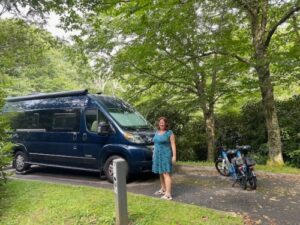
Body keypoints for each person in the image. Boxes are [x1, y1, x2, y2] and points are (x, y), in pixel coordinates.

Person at [152, 116, 176, 200]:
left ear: (166, 123)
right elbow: (155, 144)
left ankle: (168, 194)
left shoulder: (169, 132)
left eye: (163, 122)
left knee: (166, 173)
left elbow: (173, 144)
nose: (161, 123)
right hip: (157, 155)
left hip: (165, 155)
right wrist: (153, 154)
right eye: (160, 122)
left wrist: (174, 156)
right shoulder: (157, 132)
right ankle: (163, 189)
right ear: (158, 123)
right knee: (160, 172)